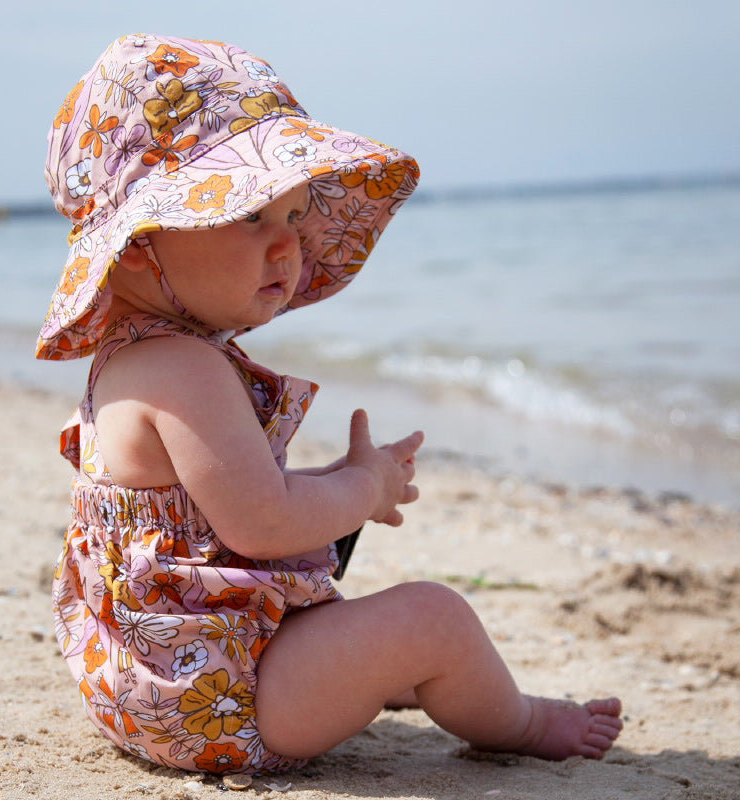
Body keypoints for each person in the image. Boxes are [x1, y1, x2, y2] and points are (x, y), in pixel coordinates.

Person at [38, 33, 622, 776]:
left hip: (146, 687)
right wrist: (363, 488)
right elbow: (264, 522)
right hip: (223, 699)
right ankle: (525, 721)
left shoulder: (128, 363)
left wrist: (331, 481)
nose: (289, 249)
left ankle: (377, 673)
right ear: (142, 240)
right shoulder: (185, 369)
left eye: (294, 218)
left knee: (357, 625)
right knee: (432, 617)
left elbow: (215, 511)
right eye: (251, 217)